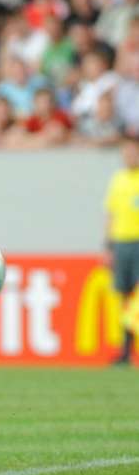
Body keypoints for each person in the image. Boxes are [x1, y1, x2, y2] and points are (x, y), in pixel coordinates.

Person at [104, 133, 139, 366]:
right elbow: (110, 213)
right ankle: (126, 351)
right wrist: (109, 246)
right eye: (125, 151)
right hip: (121, 244)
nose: (129, 155)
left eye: (133, 151)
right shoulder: (118, 179)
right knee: (125, 297)